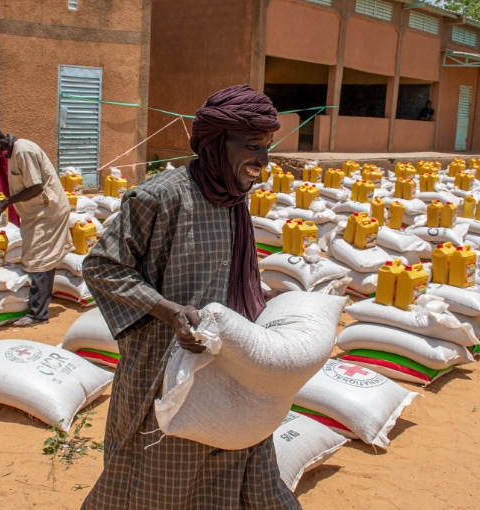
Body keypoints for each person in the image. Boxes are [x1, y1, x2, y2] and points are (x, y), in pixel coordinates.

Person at [79, 84, 300, 510]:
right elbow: (102, 266)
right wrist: (169, 312)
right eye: (252, 147)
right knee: (158, 476)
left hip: (228, 366)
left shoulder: (234, 199)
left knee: (235, 461)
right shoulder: (159, 197)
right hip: (165, 368)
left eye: (267, 148)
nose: (263, 160)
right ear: (217, 144)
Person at [0, 124, 70, 327]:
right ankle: (39, 305)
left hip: (48, 213)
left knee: (39, 261)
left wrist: (6, 202)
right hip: (36, 215)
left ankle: (38, 315)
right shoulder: (13, 153)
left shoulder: (23, 150)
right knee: (36, 259)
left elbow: (35, 187)